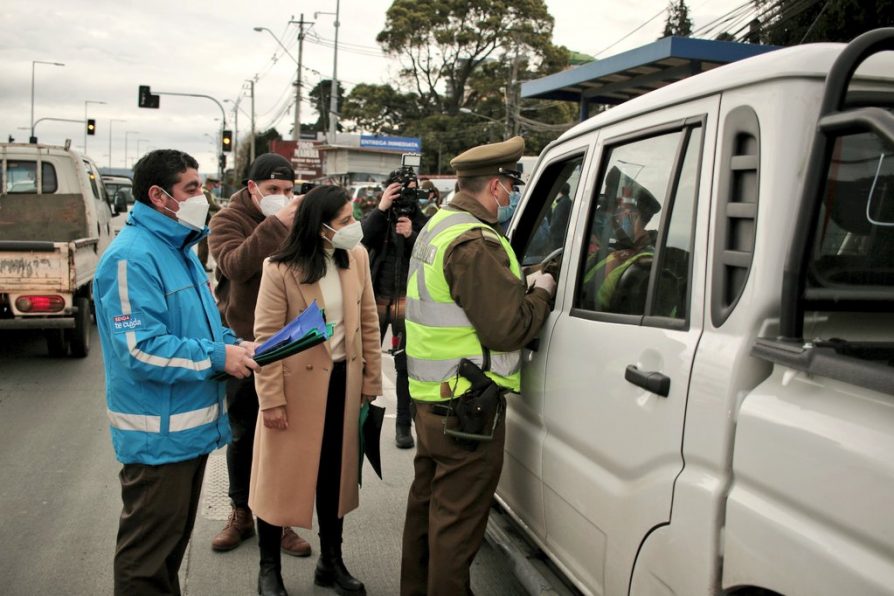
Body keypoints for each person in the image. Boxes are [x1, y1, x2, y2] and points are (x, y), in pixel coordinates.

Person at [93, 149, 259, 595]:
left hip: (186, 434)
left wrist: (232, 345)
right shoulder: (131, 258)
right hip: (157, 442)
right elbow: (140, 349)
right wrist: (216, 358)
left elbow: (199, 325)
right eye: (192, 188)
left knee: (167, 554)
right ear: (159, 196)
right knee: (145, 565)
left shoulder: (178, 248)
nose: (202, 196)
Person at [400, 136, 557, 596]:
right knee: (457, 528)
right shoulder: (475, 241)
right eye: (511, 187)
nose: (512, 196)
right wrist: (542, 290)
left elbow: (462, 297)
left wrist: (516, 284)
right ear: (495, 186)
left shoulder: (441, 225)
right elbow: (508, 329)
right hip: (469, 408)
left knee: (427, 512)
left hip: (434, 398)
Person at [250, 185, 382, 596]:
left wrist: (371, 381)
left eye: (352, 217)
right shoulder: (279, 268)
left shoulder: (355, 257)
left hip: (343, 382)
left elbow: (368, 321)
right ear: (319, 226)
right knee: (279, 481)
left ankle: (332, 561)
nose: (353, 226)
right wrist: (271, 400)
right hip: (294, 389)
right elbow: (266, 338)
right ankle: (269, 569)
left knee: (335, 477)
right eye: (344, 221)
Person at [207, 153, 311, 557]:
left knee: (284, 434)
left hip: (292, 340)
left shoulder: (297, 217)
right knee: (244, 431)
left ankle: (281, 520)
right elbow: (234, 266)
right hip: (246, 342)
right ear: (252, 188)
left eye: (288, 191)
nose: (282, 197)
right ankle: (241, 513)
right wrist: (276, 224)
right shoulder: (227, 220)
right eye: (273, 190)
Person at [360, 169, 428, 449]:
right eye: (400, 190)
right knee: (366, 358)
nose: (406, 196)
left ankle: (403, 424)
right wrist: (381, 208)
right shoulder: (379, 216)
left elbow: (431, 251)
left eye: (411, 190)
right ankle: (361, 419)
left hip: (406, 299)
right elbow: (361, 240)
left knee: (404, 364)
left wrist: (412, 235)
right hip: (376, 297)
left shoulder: (423, 221)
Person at [582, 185, 661, 313]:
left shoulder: (622, 260)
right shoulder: (649, 251)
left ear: (631, 215)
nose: (618, 218)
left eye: (622, 212)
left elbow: (590, 303)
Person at [197, 175, 223, 271]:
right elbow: (210, 205)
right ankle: (201, 264)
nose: (214, 187)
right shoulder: (205, 192)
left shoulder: (207, 192)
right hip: (204, 220)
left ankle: (202, 264)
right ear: (210, 184)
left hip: (205, 219)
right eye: (213, 185)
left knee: (204, 243)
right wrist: (222, 208)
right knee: (204, 243)